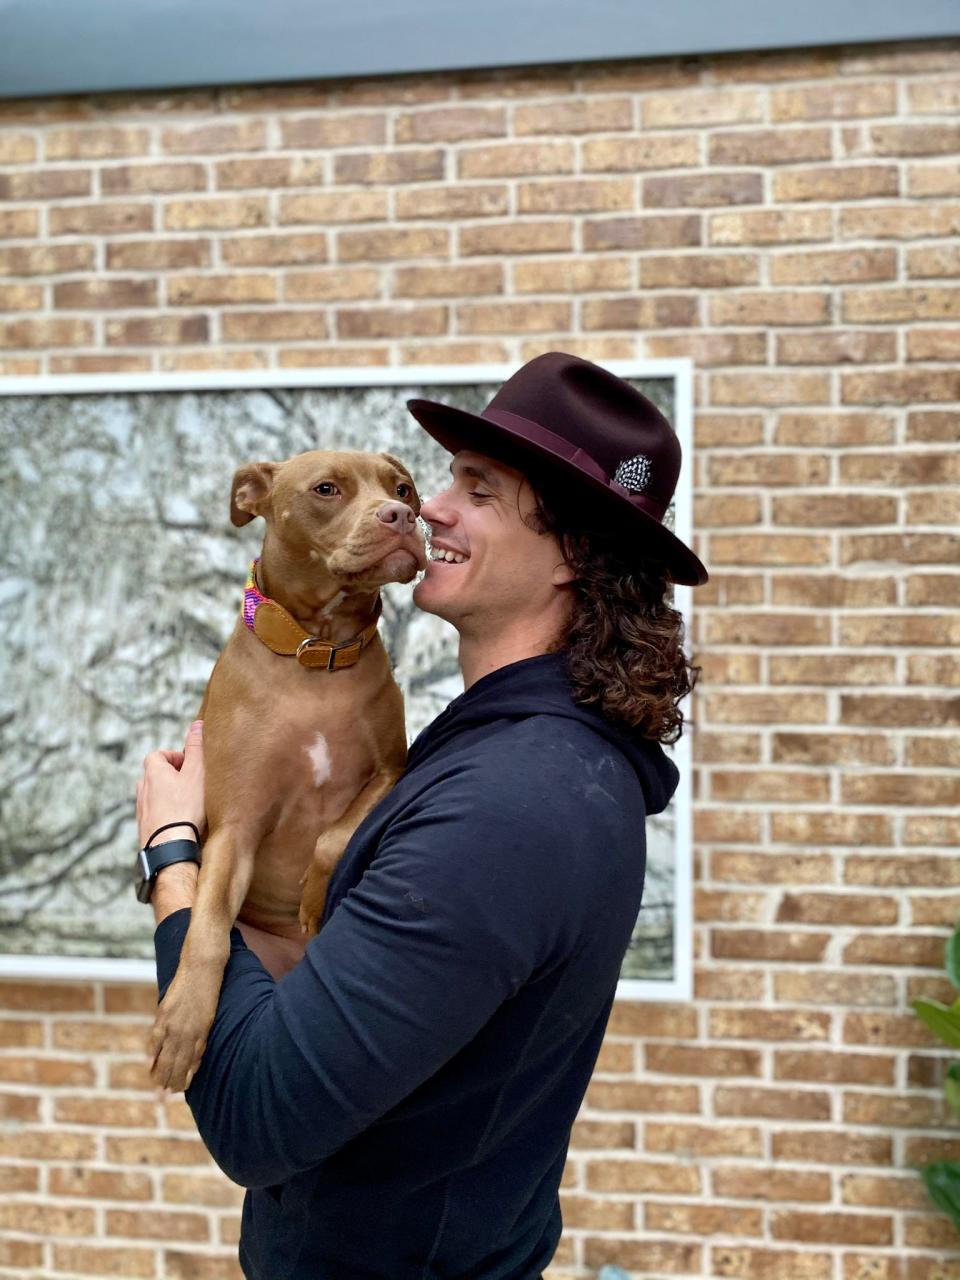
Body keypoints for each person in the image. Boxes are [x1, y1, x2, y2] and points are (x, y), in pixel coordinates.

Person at [135, 351, 709, 1280]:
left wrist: (172, 856)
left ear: (574, 552)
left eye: (477, 489)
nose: (431, 507)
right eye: (445, 478)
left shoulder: (511, 806)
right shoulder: (505, 750)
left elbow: (256, 1116)